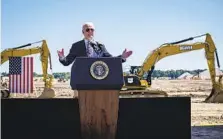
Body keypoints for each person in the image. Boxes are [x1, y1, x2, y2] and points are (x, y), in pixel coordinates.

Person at [57, 22, 133, 65]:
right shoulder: (76, 46)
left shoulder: (100, 45)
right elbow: (67, 62)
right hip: (83, 77)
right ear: (83, 32)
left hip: (99, 76)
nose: (90, 31)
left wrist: (122, 57)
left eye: (92, 30)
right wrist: (62, 57)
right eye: (87, 30)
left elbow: (110, 59)